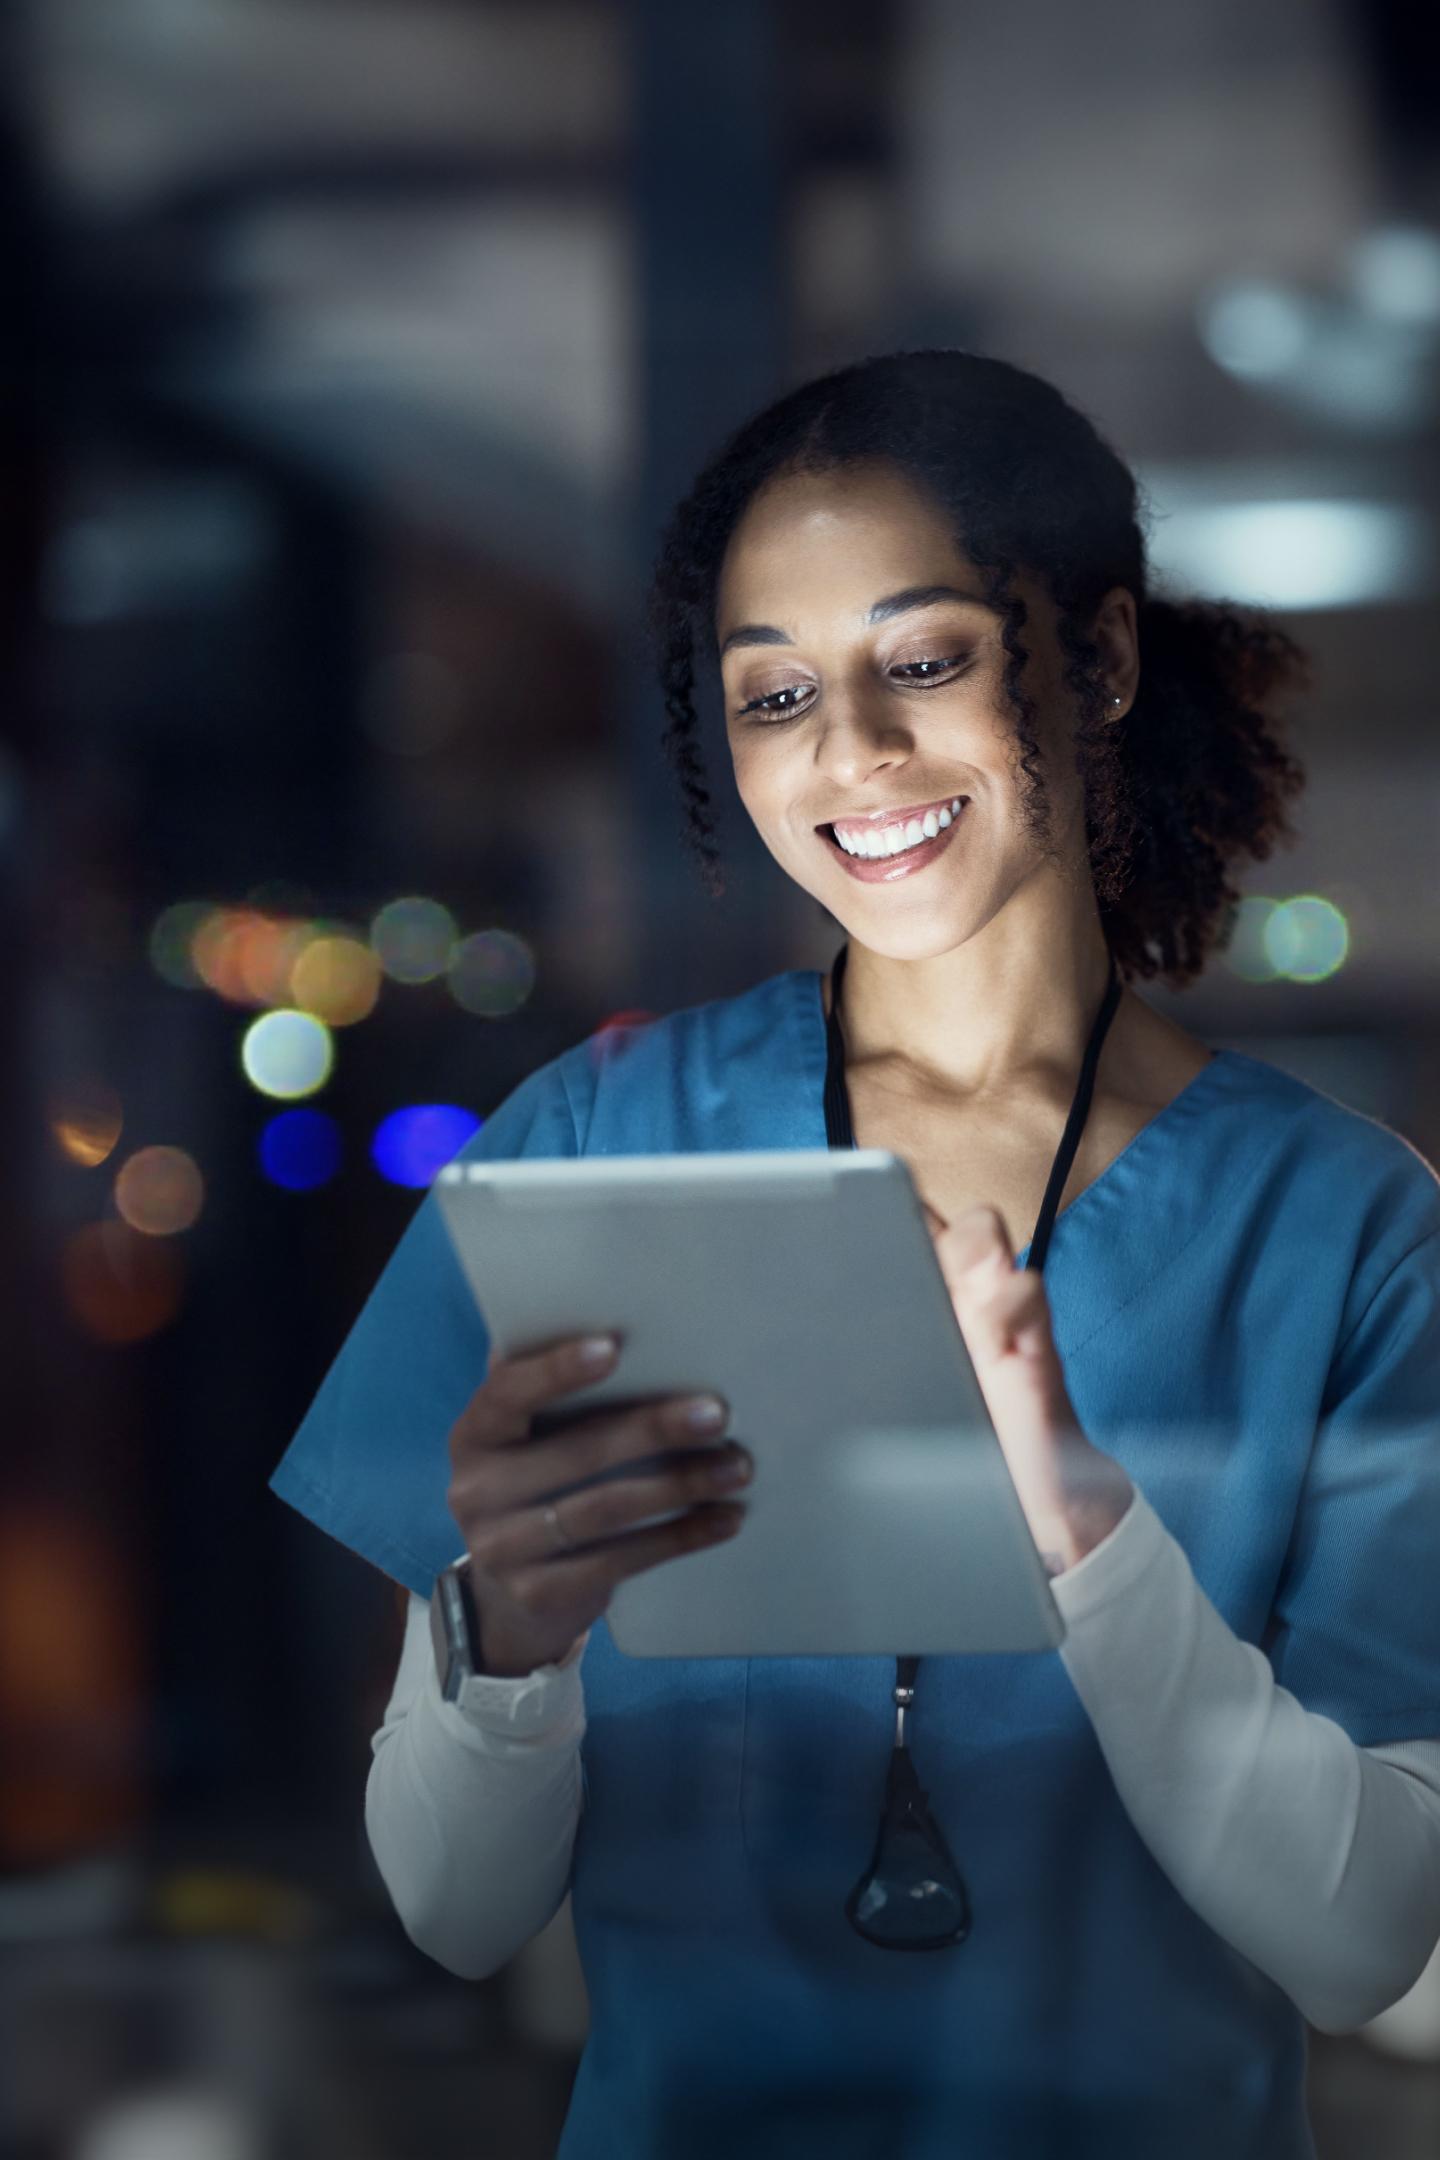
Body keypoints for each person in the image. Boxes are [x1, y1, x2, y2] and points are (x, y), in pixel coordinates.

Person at [268, 350, 1440, 2159]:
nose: (850, 755)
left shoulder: (1351, 1231)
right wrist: (504, 1630)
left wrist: (1080, 1522)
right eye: (773, 693)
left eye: (925, 659)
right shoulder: (594, 1142)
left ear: (1101, 659)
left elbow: (1360, 1940)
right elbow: (453, 1908)